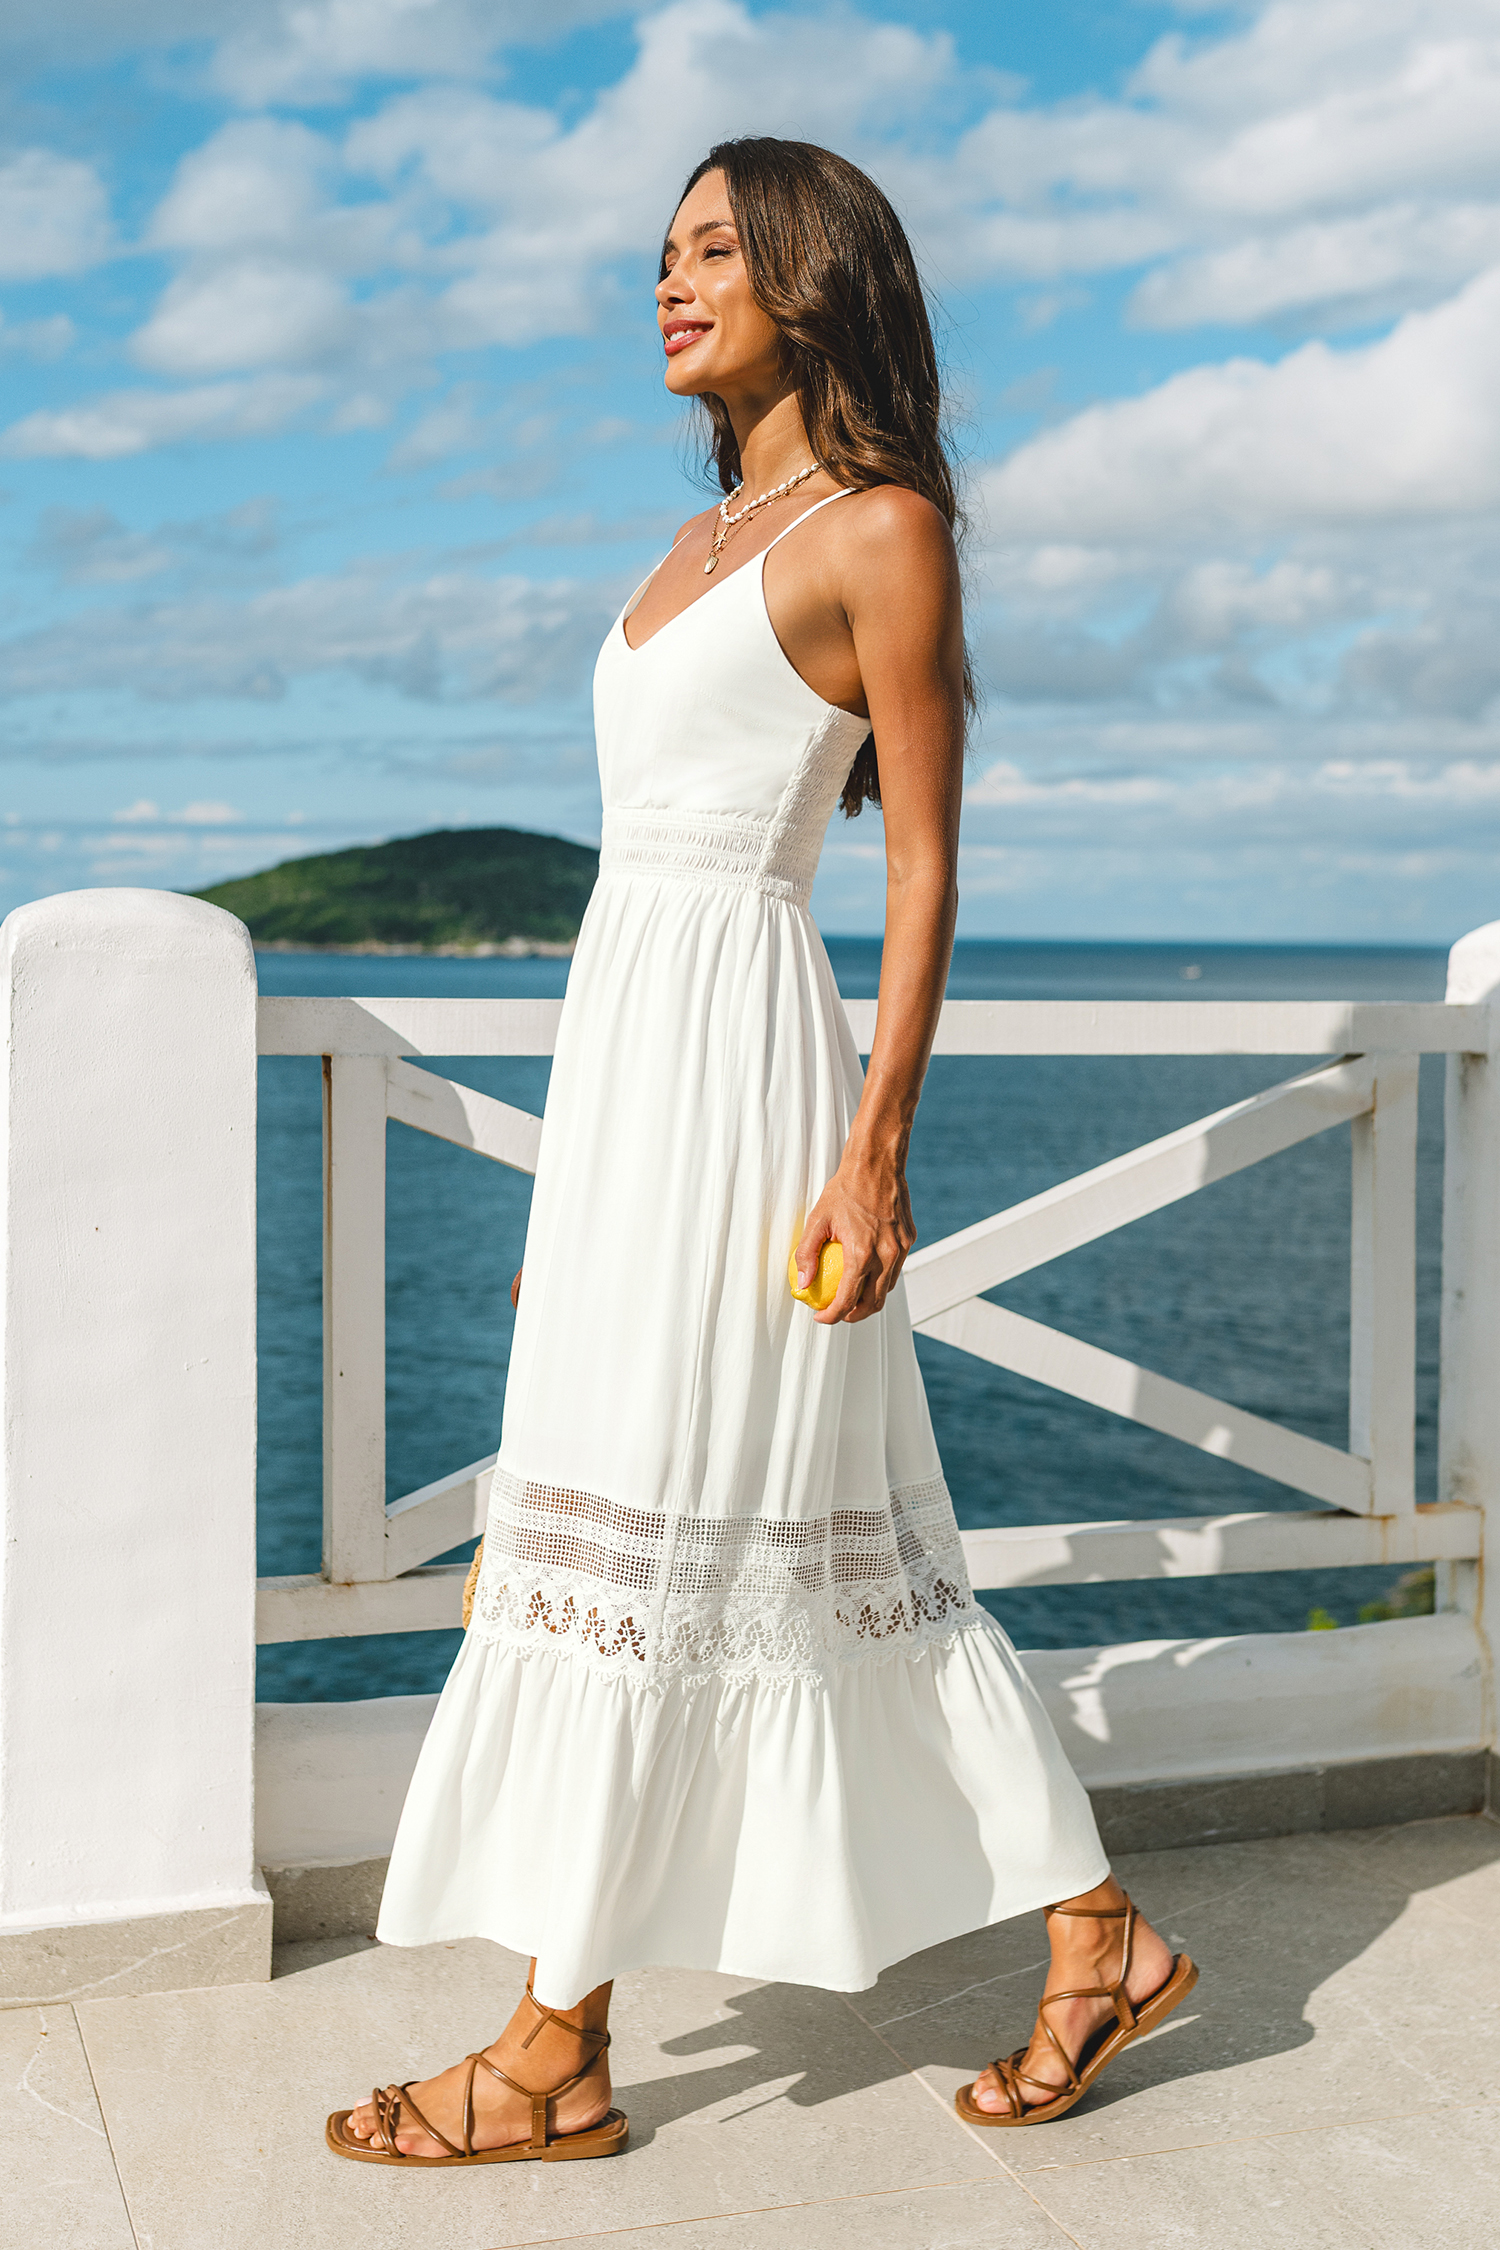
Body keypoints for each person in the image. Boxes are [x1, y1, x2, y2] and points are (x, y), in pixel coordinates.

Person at [327, 135, 1197, 2169]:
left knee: (768, 1540)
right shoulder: (690, 548)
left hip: (756, 1089)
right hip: (638, 1090)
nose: (669, 278)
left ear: (812, 280)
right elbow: (636, 888)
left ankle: (554, 2048)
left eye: (714, 248)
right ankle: (1095, 1937)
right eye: (663, 250)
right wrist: (577, 1199)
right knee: (699, 1548)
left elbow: (924, 865)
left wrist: (877, 1147)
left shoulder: (879, 531)